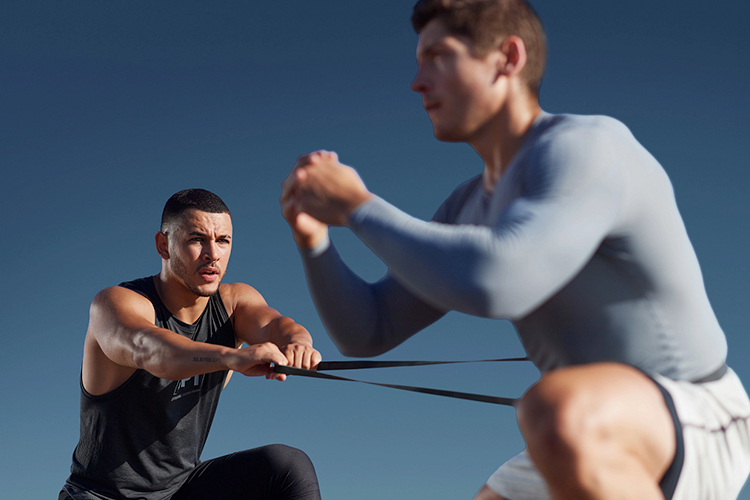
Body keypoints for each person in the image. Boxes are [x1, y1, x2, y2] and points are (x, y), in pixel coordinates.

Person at [279, 0, 750, 499]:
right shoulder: (467, 203)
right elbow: (369, 330)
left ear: (507, 57)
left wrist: (358, 205)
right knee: (556, 416)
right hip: (584, 422)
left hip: (697, 416)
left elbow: (498, 279)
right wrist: (315, 240)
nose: (417, 81)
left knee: (554, 411)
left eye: (437, 56)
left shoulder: (586, 148)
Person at [60, 188, 322, 500]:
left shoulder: (234, 303)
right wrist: (230, 358)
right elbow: (154, 350)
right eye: (197, 239)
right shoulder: (116, 305)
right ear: (164, 245)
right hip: (101, 495)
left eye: (223, 241)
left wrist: (298, 344)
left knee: (285, 465)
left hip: (179, 490)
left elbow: (276, 325)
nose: (213, 253)